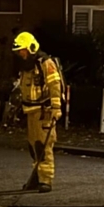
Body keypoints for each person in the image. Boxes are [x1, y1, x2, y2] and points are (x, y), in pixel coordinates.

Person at [13, 32, 63, 193]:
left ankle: (46, 180)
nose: (21, 54)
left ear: (31, 48)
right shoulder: (27, 66)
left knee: (43, 146)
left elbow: (55, 85)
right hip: (31, 112)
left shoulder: (45, 64)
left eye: (23, 50)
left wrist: (56, 108)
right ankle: (37, 176)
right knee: (34, 146)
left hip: (44, 112)